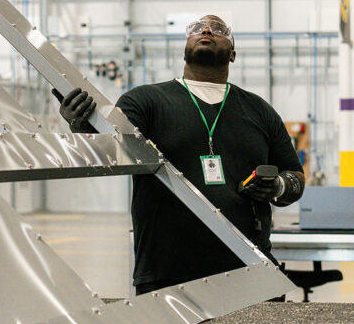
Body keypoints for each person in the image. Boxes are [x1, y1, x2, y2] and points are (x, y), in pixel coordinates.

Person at [59, 15, 305, 295]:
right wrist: (81, 126)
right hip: (168, 273)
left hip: (252, 269)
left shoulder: (259, 110)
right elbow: (109, 149)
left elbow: (294, 175)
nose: (207, 30)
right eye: (197, 28)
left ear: (233, 54)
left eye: (219, 29)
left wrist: (278, 186)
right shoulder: (145, 102)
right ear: (184, 49)